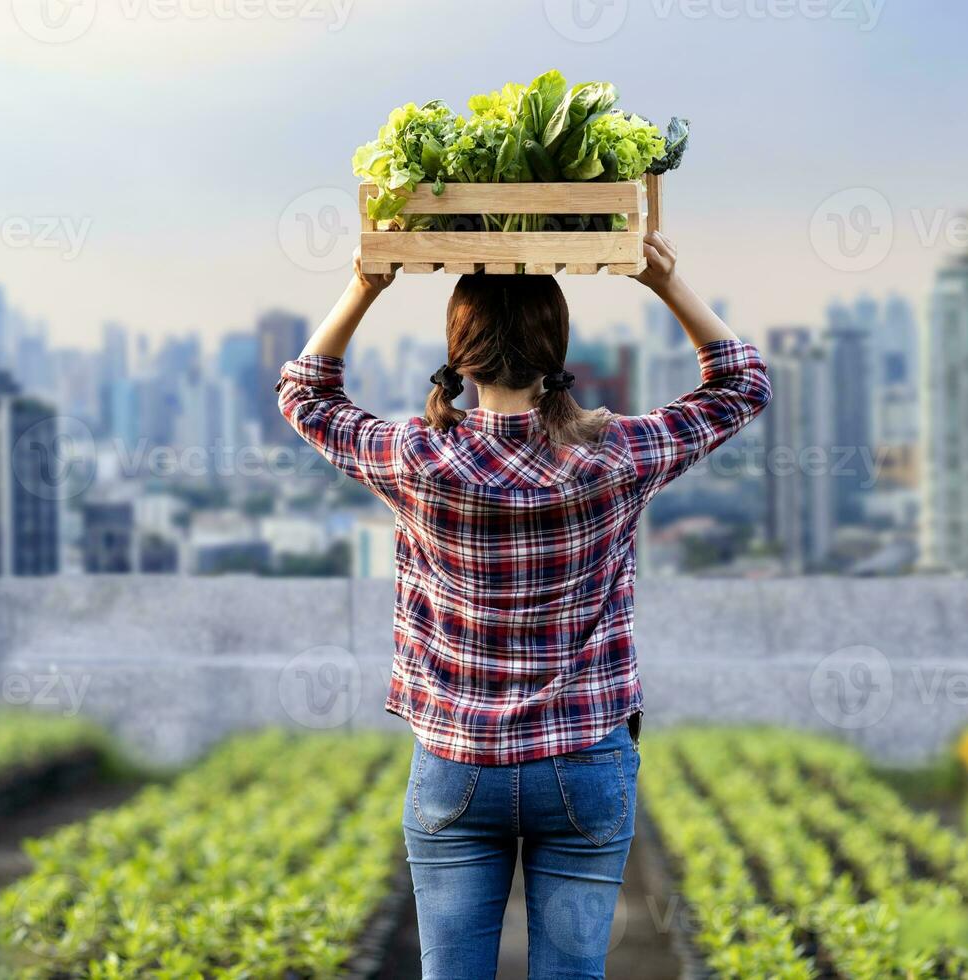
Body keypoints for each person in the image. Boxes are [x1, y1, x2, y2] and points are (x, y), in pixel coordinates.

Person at [275, 232, 771, 979]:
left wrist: (365, 285)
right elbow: (742, 384)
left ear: (460, 351)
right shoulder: (614, 453)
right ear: (556, 350)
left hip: (455, 760)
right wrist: (664, 282)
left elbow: (304, 392)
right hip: (583, 759)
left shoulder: (416, 457)